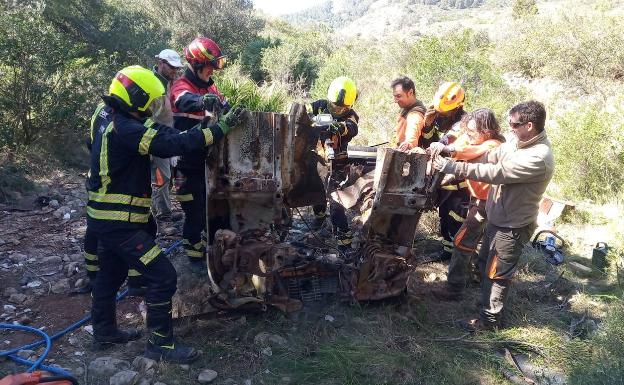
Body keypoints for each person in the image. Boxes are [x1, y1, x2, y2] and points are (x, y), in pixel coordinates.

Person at [86, 65, 245, 362]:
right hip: (120, 224)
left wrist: (204, 124)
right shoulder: (128, 129)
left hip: (105, 221)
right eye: (151, 101)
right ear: (136, 98)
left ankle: (105, 333)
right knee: (163, 276)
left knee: (110, 275)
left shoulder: (118, 122)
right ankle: (159, 344)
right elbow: (171, 142)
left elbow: (168, 133)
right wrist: (219, 129)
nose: (155, 106)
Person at [432, 100, 554, 330]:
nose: (510, 128)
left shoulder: (538, 156)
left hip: (512, 225)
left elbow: (496, 173)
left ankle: (489, 322)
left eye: (514, 124)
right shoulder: (519, 143)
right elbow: (490, 156)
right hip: (497, 215)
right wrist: (450, 151)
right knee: (484, 262)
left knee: (497, 273)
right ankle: (478, 303)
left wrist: (453, 167)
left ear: (529, 126)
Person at [428, 108, 505, 301]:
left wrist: (448, 151)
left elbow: (470, 151)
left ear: (486, 132)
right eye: (467, 132)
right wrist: (442, 144)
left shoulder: (493, 145)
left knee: (463, 241)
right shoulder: (472, 138)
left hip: (491, 203)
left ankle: (454, 288)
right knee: (484, 243)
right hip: (479, 199)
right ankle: (477, 277)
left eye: (472, 133)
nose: (468, 137)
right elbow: (460, 143)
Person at [170, 37, 229, 273]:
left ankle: (216, 250)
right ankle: (193, 260)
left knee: (214, 207)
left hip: (210, 161)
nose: (212, 70)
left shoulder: (210, 87)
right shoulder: (182, 86)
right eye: (209, 66)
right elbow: (184, 101)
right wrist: (202, 100)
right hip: (187, 162)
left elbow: (223, 105)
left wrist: (231, 110)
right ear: (196, 65)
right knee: (194, 212)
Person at [78, 104, 148, 296]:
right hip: (114, 180)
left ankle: (94, 276)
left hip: (97, 176)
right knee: (136, 230)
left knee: (94, 228)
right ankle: (134, 281)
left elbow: (92, 141)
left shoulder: (100, 110)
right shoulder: (125, 118)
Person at [308, 76, 359, 249]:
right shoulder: (320, 105)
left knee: (336, 201)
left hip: (339, 163)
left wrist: (340, 127)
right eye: (334, 106)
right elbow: (304, 114)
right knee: (316, 189)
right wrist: (309, 119)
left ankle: (344, 242)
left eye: (341, 108)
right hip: (318, 159)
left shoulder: (351, 116)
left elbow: (352, 127)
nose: (336, 109)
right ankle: (320, 218)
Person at [424, 82, 470, 260]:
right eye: (440, 111)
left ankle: (459, 257)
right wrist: (427, 126)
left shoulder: (465, 124)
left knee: (456, 219)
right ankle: (448, 251)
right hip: (443, 180)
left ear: (458, 108)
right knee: (444, 217)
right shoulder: (438, 115)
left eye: (447, 112)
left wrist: (439, 145)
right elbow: (429, 141)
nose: (442, 115)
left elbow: (446, 144)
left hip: (460, 183)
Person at [151, 49, 184, 223]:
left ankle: (163, 211)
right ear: (161, 63)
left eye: (176, 68)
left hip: (167, 136)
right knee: (160, 177)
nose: (175, 71)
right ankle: (161, 218)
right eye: (171, 67)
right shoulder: (150, 82)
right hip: (152, 137)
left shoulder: (173, 83)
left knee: (165, 177)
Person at [391, 77, 427, 152]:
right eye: (394, 96)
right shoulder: (406, 107)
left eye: (398, 96)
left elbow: (413, 130)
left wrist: (409, 144)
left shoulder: (416, 114)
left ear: (410, 93)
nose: (395, 100)